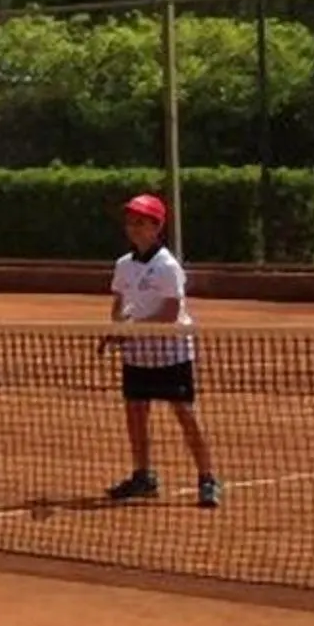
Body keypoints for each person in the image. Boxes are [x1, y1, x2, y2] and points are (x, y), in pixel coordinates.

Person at [103, 193, 219, 510]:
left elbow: (169, 313)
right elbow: (118, 305)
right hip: (137, 355)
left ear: (157, 227)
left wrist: (133, 327)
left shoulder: (167, 266)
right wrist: (117, 329)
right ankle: (143, 476)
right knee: (135, 413)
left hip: (170, 353)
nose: (133, 227)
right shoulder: (123, 266)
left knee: (184, 413)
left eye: (141, 222)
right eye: (130, 222)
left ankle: (207, 478)